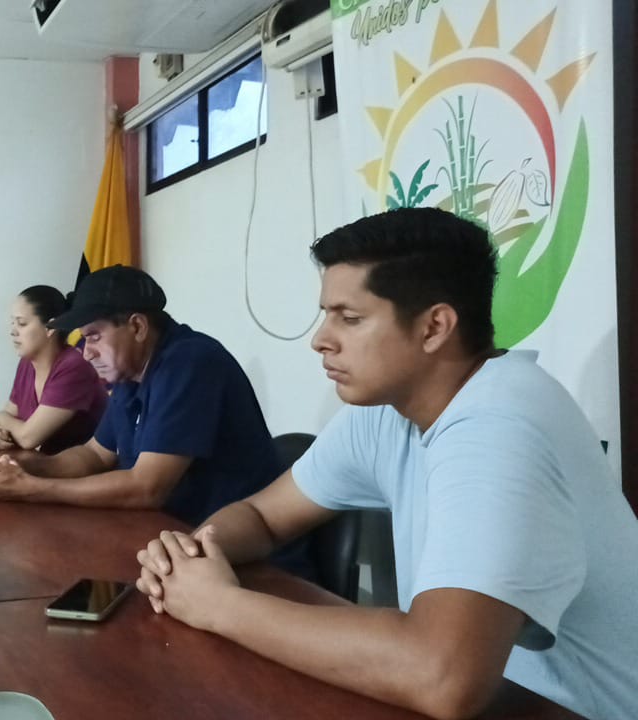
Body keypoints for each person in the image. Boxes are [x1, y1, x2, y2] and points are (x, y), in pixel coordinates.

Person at [135, 208, 638, 720]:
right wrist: (189, 557)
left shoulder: (501, 427)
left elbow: (442, 675)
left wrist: (219, 605)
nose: (320, 339)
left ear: (434, 327)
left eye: (349, 318)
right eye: (326, 314)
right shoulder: (388, 410)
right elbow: (263, 517)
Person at [0, 266, 288, 535]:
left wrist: (34, 490)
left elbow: (147, 487)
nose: (86, 352)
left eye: (94, 336)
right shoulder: (129, 372)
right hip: (171, 535)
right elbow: (94, 455)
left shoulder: (189, 363)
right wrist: (28, 466)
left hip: (243, 555)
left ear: (137, 326)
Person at [0, 285, 107, 454]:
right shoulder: (27, 363)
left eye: (22, 323)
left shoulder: (74, 367)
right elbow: (10, 415)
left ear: (50, 328)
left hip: (85, 467)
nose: (13, 331)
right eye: (13, 323)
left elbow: (28, 438)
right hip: (48, 464)